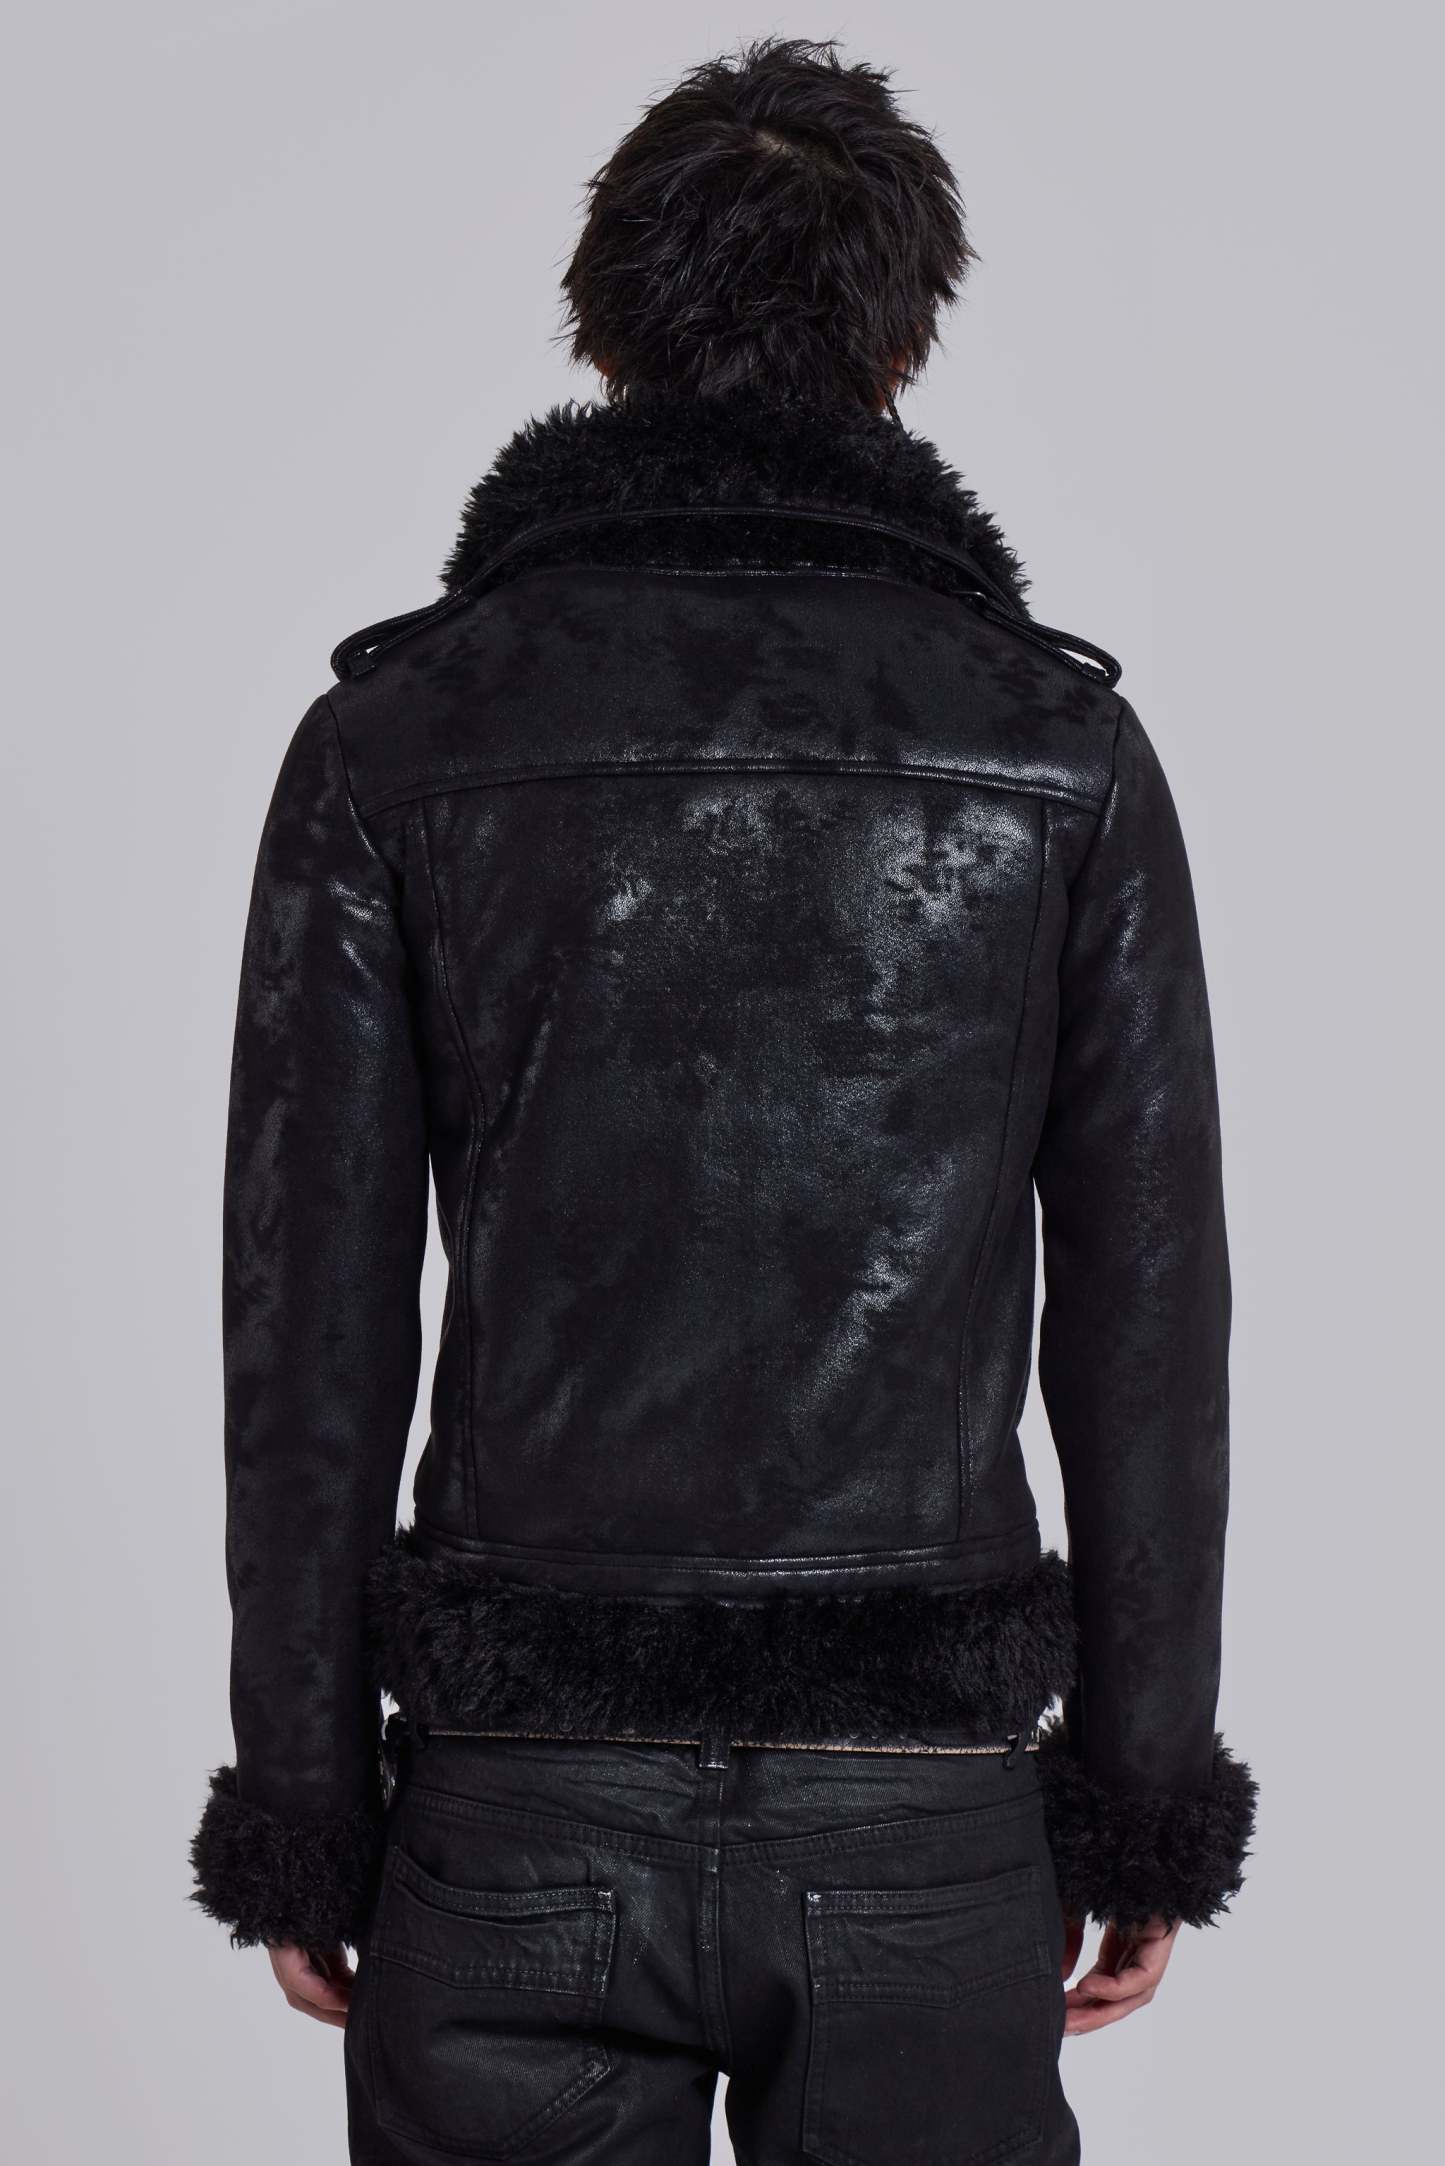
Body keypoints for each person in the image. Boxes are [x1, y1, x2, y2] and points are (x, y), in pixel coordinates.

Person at [190, 35, 1256, 2164]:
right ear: (900, 342)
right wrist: (1141, 1782)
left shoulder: (397, 740)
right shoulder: (1056, 754)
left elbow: (307, 1332)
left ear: (603, 330)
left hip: (515, 1802)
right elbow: (1149, 1325)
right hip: (920, 1822)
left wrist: (306, 1800)